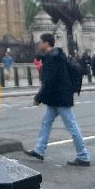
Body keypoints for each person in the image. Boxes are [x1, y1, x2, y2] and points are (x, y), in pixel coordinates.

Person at [28, 33, 90, 166]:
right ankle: (39, 150)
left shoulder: (52, 58)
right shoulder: (57, 55)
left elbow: (48, 81)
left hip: (60, 97)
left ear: (46, 43)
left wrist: (38, 97)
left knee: (71, 126)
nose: (39, 45)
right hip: (56, 97)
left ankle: (83, 156)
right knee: (46, 122)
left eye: (41, 42)